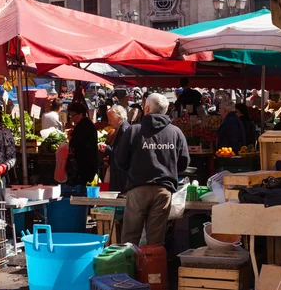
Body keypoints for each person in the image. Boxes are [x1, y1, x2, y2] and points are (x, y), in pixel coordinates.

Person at [115, 93, 190, 246]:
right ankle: (153, 269)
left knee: (130, 238)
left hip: (138, 187)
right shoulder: (175, 132)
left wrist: (135, 170)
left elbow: (120, 160)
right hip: (163, 190)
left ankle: (130, 269)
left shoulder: (134, 130)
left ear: (147, 108)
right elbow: (183, 164)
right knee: (156, 241)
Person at [99, 105, 130, 193]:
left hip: (120, 174)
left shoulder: (123, 130)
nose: (109, 122)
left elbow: (121, 152)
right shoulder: (122, 128)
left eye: (111, 119)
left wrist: (107, 149)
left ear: (119, 118)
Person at [67, 102, 98, 186]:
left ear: (80, 114)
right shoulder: (86, 123)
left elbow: (77, 143)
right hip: (88, 162)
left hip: (85, 163)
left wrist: (70, 137)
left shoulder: (83, 125)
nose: (71, 118)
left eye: (73, 115)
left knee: (82, 185)